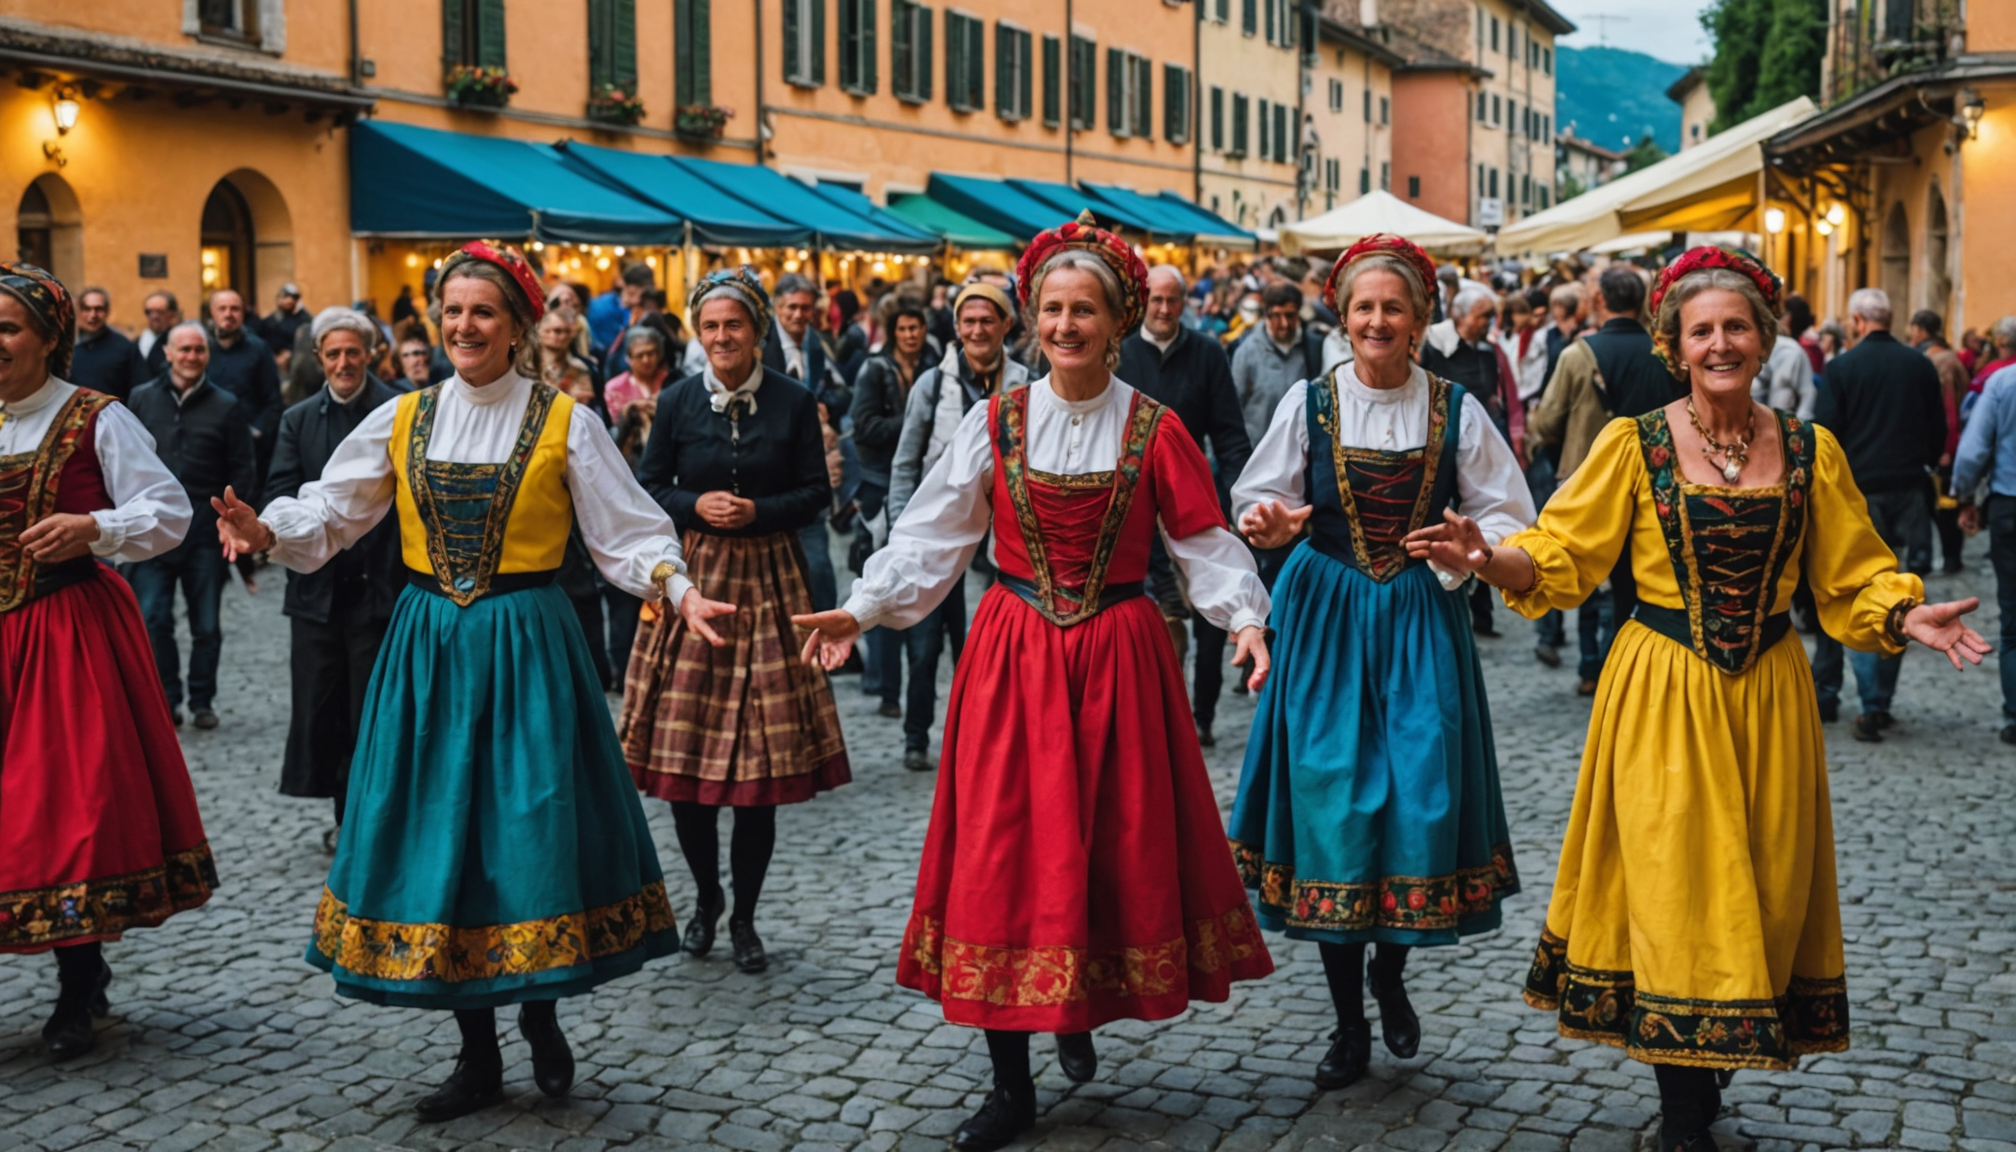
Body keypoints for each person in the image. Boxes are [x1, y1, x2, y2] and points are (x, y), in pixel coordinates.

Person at [1416, 245, 1986, 1152]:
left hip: (1769, 698)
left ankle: (1716, 1055)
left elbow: (1852, 571)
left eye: (1735, 328)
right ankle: (1684, 1108)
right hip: (1660, 695)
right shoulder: (1631, 447)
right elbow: (1562, 555)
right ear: (1675, 347)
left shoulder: (1809, 450)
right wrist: (1490, 558)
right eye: (1701, 331)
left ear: (1764, 340)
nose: (1719, 343)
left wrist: (1903, 612)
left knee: (1760, 887)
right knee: (1677, 886)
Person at [793, 214, 1275, 1152]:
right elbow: (931, 537)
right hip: (1014, 655)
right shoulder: (993, 422)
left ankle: (1077, 1005)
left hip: (1122, 657)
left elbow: (1205, 544)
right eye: (1050, 309)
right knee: (1007, 854)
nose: (1064, 325)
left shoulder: (1154, 428)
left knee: (1102, 844)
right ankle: (1009, 1081)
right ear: (1030, 320)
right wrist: (863, 609)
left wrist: (1247, 620)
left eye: (1083, 309)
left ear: (1119, 319)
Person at [212, 242, 717, 1121]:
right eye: (452, 311)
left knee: (526, 831)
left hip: (527, 648)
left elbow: (626, 532)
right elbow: (334, 510)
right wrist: (268, 533)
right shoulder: (405, 417)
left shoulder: (567, 422)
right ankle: (475, 1052)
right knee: (442, 840)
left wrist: (678, 588)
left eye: (483, 312)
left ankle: (541, 1011)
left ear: (518, 326)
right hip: (429, 652)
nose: (463, 326)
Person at [1229, 234, 1530, 1091]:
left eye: (1393, 307)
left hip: (1418, 621)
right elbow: (1259, 494)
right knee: (1332, 809)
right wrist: (1272, 524)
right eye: (1364, 306)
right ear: (1343, 313)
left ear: (1421, 318)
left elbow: (1511, 518)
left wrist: (1467, 550)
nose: (1377, 320)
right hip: (1326, 620)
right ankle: (1348, 1021)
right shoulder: (1309, 404)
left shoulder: (1457, 407)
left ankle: (1390, 974)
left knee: (1417, 803)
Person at [0, 263, 216, 1061]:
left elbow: (167, 513)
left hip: (62, 631)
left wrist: (91, 526)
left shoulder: (97, 418)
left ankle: (78, 982)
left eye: (8, 328)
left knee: (62, 806)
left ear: (51, 338)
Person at [621, 268, 847, 977]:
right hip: (694, 580)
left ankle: (745, 915)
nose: (722, 337)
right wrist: (694, 506)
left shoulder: (794, 400)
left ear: (756, 330)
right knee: (686, 768)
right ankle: (707, 897)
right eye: (711, 326)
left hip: (771, 582)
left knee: (760, 771)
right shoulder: (678, 400)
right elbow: (649, 485)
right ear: (699, 332)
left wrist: (758, 511)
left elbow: (816, 492)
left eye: (735, 325)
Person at [264, 308, 405, 852]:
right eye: (334, 353)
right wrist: (270, 528)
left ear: (370, 354)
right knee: (324, 713)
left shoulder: (399, 408)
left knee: (374, 711)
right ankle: (346, 817)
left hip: (383, 587)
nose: (344, 362)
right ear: (319, 359)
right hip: (318, 592)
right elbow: (279, 487)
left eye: (353, 352)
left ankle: (372, 819)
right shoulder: (298, 419)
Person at [883, 282, 1033, 770]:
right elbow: (906, 462)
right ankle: (915, 737)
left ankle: (983, 740)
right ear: (956, 328)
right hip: (941, 531)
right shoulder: (933, 384)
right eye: (968, 321)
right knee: (925, 647)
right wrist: (899, 534)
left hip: (1005, 540)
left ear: (1006, 325)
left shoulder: (1028, 383)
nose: (977, 330)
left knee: (989, 649)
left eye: (987, 320)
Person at [1523, 265, 1682, 693]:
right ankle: (1627, 659)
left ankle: (1592, 667)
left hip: (1584, 477)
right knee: (1638, 576)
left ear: (1599, 302)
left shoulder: (1578, 354)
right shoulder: (1664, 353)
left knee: (1585, 573)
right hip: (1657, 478)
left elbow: (1549, 419)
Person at [1120, 264, 1253, 742]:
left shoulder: (1207, 354)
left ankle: (1203, 716)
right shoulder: (1120, 352)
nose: (1163, 308)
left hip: (1190, 499)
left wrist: (1243, 502)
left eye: (1172, 300)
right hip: (1131, 509)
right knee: (1158, 620)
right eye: (1155, 299)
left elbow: (1230, 436)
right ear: (1142, 302)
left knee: (1212, 620)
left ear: (1184, 305)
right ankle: (1164, 717)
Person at [1810, 287, 1948, 740]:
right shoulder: (1919, 365)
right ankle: (1877, 701)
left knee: (1840, 584)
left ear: (1856, 319)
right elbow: (1937, 430)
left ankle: (1827, 693)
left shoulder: (1843, 368)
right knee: (1897, 592)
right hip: (1907, 488)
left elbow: (1824, 436)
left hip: (1857, 493)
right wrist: (1921, 465)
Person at [125, 322, 259, 728]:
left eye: (198, 350)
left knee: (206, 624)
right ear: (167, 353)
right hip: (152, 529)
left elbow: (243, 468)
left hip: (204, 530)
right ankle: (167, 698)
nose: (191, 356)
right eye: (183, 349)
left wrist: (234, 522)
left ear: (207, 355)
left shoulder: (226, 405)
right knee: (153, 618)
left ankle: (202, 700)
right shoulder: (141, 399)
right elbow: (125, 462)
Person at [1421, 284, 1521, 637]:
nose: (1487, 323)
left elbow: (1494, 395)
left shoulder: (1488, 352)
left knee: (1480, 529)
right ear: (1461, 316)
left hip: (1480, 443)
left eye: (1490, 316)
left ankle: (1483, 613)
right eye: (1482, 315)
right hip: (1443, 447)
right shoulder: (1436, 349)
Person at [851, 299, 930, 722]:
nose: (911, 334)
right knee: (880, 585)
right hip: (881, 490)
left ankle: (908, 689)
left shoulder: (936, 370)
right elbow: (862, 427)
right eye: (904, 328)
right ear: (893, 331)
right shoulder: (875, 369)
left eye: (916, 326)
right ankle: (884, 685)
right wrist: (915, 422)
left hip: (925, 493)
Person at [1953, 353, 2016, 742]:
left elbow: (1974, 450)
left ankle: (2015, 714)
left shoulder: (2002, 383)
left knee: (2012, 616)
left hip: (2010, 506)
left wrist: (1964, 496)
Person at [1911, 309, 1970, 575]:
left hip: (1948, 447)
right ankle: (1949, 556)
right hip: (1951, 443)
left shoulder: (1941, 362)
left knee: (1944, 505)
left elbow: (1949, 411)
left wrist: (1945, 449)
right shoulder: (1946, 358)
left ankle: (1950, 557)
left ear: (1922, 331)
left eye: (1913, 329)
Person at [1231, 282, 1323, 448]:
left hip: (1301, 452)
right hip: (1259, 452)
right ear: (1266, 315)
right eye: (1276, 315)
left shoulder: (1312, 347)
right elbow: (1232, 410)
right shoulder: (1246, 352)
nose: (1284, 324)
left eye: (1290, 315)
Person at [203, 289, 285, 472]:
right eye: (222, 309)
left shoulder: (259, 349)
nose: (228, 314)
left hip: (251, 446)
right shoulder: (201, 351)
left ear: (243, 313)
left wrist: (259, 430)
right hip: (209, 443)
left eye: (235, 309)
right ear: (211, 313)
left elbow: (273, 400)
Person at [69, 287, 150, 402]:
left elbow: (141, 390)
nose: (93, 315)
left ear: (107, 312)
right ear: (79, 311)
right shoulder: (66, 347)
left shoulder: (125, 348)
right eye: (87, 309)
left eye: (99, 309)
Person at [261, 282, 311, 359]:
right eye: (286, 296)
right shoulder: (269, 321)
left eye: (293, 298)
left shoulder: (304, 320)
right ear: (278, 298)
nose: (290, 301)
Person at [139, 291, 181, 377]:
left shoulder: (182, 341)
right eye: (149, 312)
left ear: (172, 314)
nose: (154, 316)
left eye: (160, 312)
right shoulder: (137, 344)